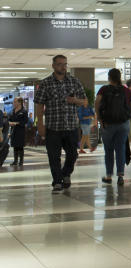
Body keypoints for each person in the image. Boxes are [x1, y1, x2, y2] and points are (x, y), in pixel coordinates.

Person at [34, 54, 88, 192]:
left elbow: (85, 101)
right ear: (53, 65)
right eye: (59, 64)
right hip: (53, 127)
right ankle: (57, 181)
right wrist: (40, 124)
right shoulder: (46, 83)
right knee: (53, 156)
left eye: (65, 64)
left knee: (72, 154)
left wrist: (75, 101)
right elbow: (39, 105)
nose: (63, 67)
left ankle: (66, 173)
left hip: (71, 126)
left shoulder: (74, 82)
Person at [96, 69, 131, 186]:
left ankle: (108, 176)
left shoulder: (103, 89)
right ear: (119, 77)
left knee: (108, 150)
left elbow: (97, 103)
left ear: (109, 77)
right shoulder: (126, 91)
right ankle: (120, 176)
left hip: (107, 124)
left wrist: (99, 118)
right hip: (123, 124)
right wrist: (126, 114)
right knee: (120, 149)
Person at [9, 97, 28, 166]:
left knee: (20, 146)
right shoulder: (12, 111)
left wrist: (16, 123)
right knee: (15, 146)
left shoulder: (24, 111)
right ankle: (15, 161)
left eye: (15, 102)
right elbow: (10, 119)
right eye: (13, 102)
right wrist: (9, 122)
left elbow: (25, 121)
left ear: (19, 102)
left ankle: (21, 161)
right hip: (13, 131)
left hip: (20, 131)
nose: (13, 103)